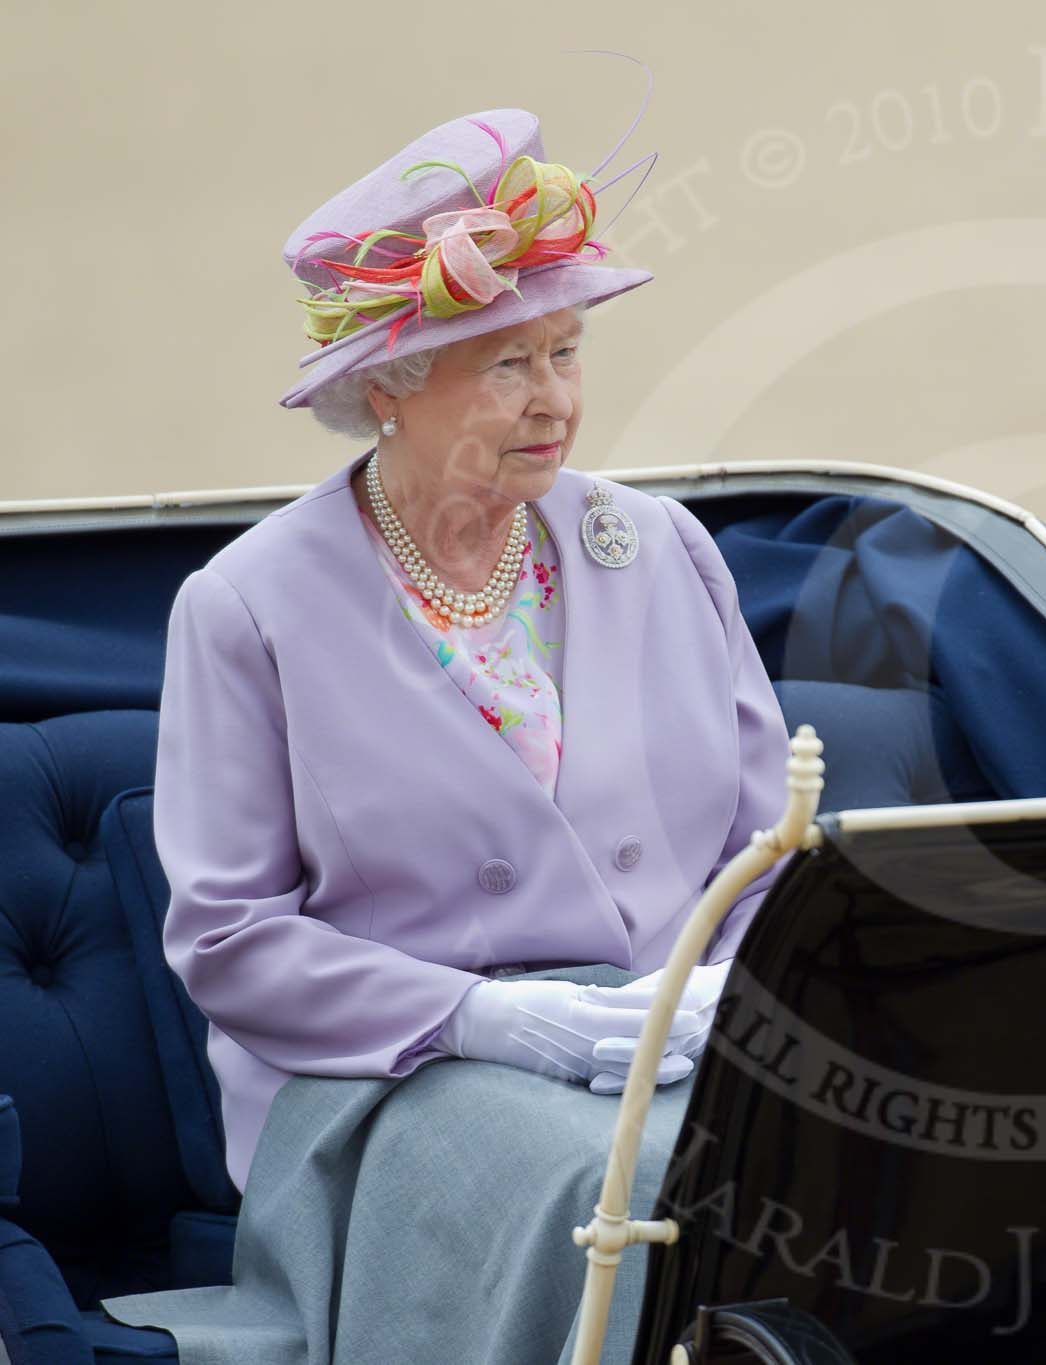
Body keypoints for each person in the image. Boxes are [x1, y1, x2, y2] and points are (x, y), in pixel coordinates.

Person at [101, 103, 794, 1362]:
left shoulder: (657, 549)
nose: (556, 403)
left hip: (677, 1033)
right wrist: (475, 1017)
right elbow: (229, 939)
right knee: (622, 1190)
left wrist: (723, 991)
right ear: (388, 389)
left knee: (869, 1144)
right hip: (393, 1077)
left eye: (568, 352)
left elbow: (768, 842)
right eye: (507, 366)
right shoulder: (252, 604)